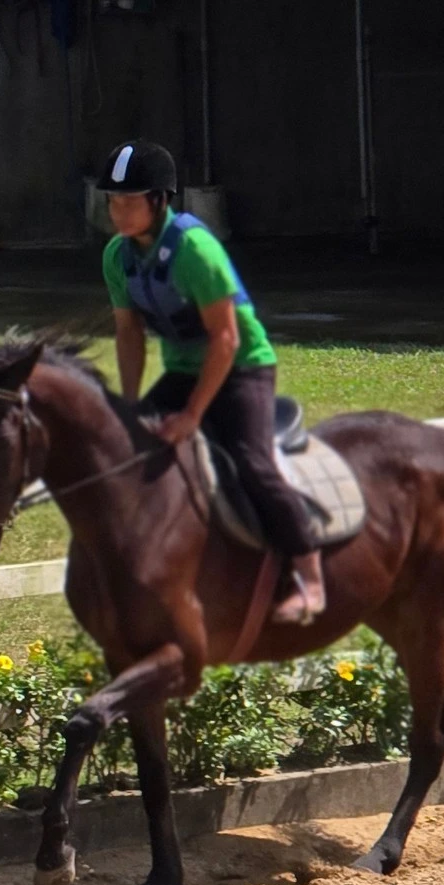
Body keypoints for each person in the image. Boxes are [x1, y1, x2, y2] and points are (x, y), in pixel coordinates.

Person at [97, 140, 324, 626]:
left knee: (251, 462)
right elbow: (129, 333)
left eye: (129, 201)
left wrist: (192, 416)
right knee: (131, 449)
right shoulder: (117, 257)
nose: (117, 212)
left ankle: (310, 577)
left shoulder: (195, 250)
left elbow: (225, 338)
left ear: (159, 201)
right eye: (112, 201)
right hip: (182, 370)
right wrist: (131, 405)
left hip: (242, 366)